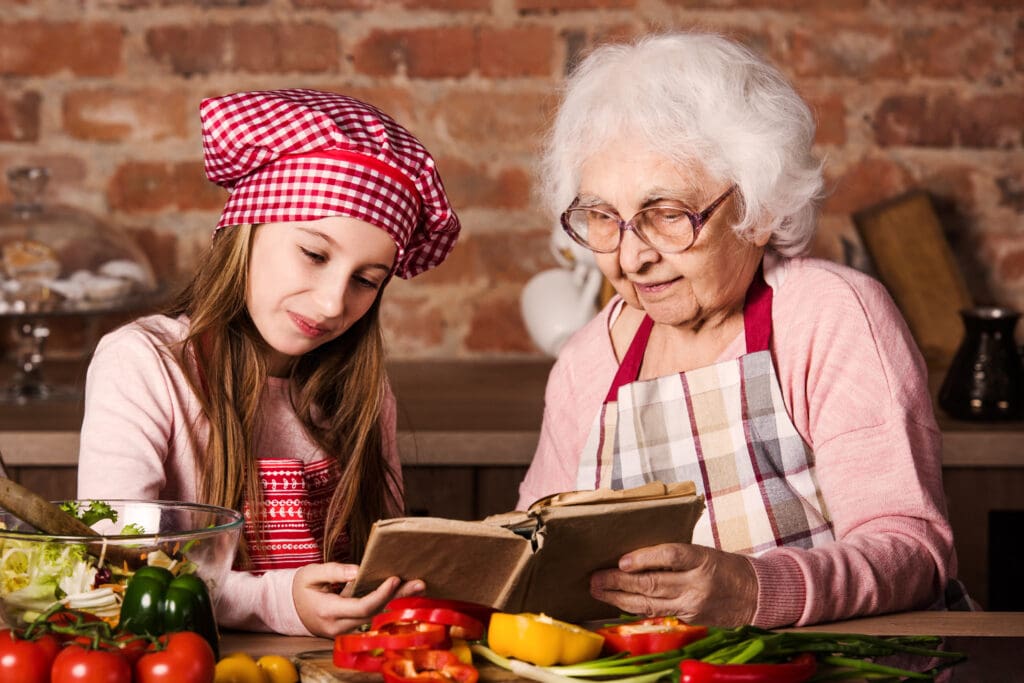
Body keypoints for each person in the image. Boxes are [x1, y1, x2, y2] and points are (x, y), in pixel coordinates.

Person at [517, 32, 967, 628]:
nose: (632, 257)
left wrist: (755, 590)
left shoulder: (826, 314)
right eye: (604, 218)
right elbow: (534, 553)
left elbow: (913, 551)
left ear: (757, 209)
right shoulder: (585, 364)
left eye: (668, 215)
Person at [78, 89, 460, 636]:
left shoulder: (364, 393)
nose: (333, 303)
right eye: (314, 254)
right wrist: (277, 602)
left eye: (366, 281)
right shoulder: (143, 365)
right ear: (247, 230)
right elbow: (114, 565)